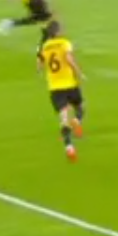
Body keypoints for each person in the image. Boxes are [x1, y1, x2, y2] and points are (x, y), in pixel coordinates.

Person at [37, 20, 86, 162]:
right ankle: (76, 120)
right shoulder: (65, 43)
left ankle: (69, 147)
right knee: (80, 107)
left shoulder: (45, 46)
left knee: (63, 119)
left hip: (55, 88)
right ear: (58, 31)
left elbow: (39, 66)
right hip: (70, 83)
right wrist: (79, 73)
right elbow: (69, 59)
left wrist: (41, 66)